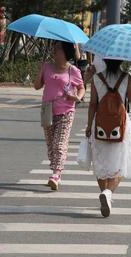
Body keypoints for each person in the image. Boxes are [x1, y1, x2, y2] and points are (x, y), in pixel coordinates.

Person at [85, 59, 131, 217]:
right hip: (120, 126)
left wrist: (88, 126)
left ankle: (105, 193)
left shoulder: (97, 78)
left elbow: (93, 104)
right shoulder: (126, 78)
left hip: (99, 125)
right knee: (120, 163)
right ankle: (108, 193)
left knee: (100, 163)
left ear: (105, 60)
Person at [34, 41, 85, 191]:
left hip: (66, 111)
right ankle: (57, 170)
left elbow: (81, 87)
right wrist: (39, 70)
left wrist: (77, 97)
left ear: (66, 52)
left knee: (59, 143)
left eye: (58, 49)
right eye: (54, 48)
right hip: (47, 110)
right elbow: (37, 86)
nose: (54, 51)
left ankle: (56, 174)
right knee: (51, 145)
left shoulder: (73, 71)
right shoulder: (47, 67)